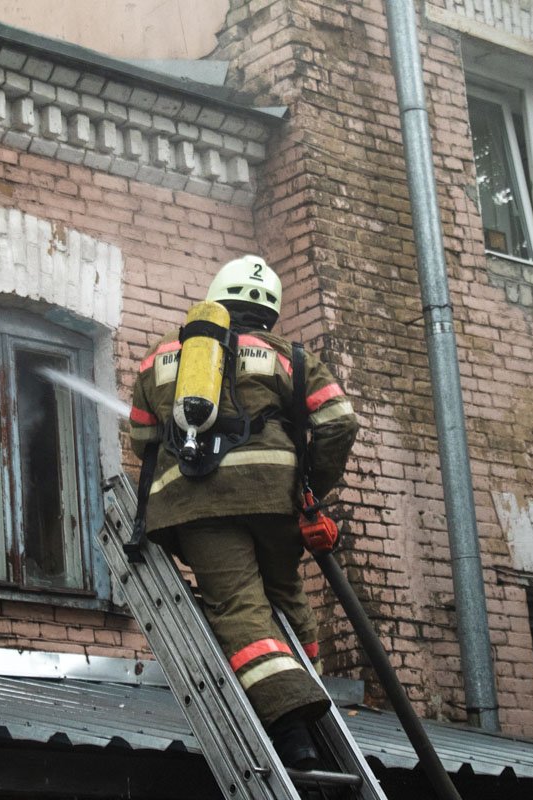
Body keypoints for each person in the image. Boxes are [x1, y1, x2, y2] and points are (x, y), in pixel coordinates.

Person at [129, 255, 359, 769]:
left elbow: (142, 438)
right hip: (275, 502)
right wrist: (308, 488)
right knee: (286, 597)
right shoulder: (288, 356)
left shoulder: (162, 357)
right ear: (271, 310)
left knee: (237, 606)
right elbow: (339, 421)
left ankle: (292, 725)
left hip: (196, 504)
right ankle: (313, 706)